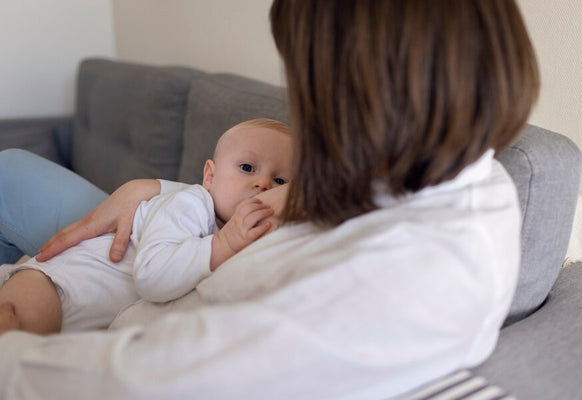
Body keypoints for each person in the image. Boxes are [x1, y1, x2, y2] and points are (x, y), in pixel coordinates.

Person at [0, 1, 539, 399]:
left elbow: (154, 378)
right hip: (152, 237)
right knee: (12, 169)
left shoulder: (406, 278)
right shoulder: (424, 167)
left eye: (307, 84)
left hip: (120, 297)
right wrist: (152, 192)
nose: (304, 104)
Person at [0, 118, 293, 334]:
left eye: (279, 181)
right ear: (209, 176)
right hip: (57, 285)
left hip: (86, 322)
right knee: (15, 332)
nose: (263, 183)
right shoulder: (192, 205)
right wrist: (223, 245)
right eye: (247, 168)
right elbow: (153, 277)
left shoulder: (244, 231)